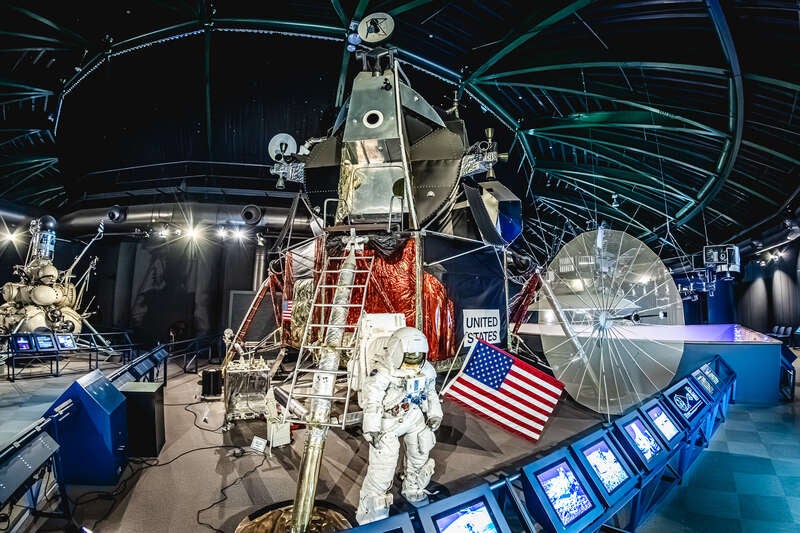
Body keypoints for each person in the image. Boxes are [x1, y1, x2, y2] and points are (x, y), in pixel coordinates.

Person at [355, 327, 443, 524]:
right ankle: (372, 514)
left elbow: (431, 394)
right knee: (383, 467)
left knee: (421, 450)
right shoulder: (382, 373)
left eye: (417, 357)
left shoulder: (426, 370)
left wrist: (434, 414)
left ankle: (414, 488)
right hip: (388, 421)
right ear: (396, 352)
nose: (413, 362)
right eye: (409, 357)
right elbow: (372, 402)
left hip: (413, 415)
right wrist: (372, 428)